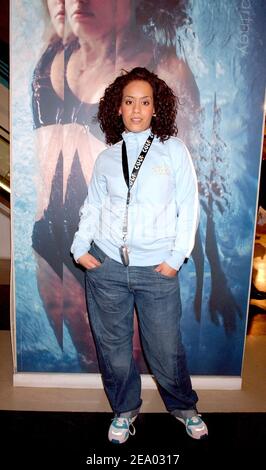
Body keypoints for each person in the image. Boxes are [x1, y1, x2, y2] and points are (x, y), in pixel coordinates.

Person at [71, 67, 208, 444]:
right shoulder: (106, 158)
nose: (136, 109)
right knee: (113, 349)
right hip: (107, 268)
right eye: (129, 101)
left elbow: (188, 206)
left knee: (165, 349)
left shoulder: (173, 151)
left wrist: (176, 258)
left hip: (157, 270)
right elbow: (94, 206)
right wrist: (81, 248)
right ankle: (124, 410)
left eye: (144, 102)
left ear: (155, 108)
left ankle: (184, 407)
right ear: (118, 108)